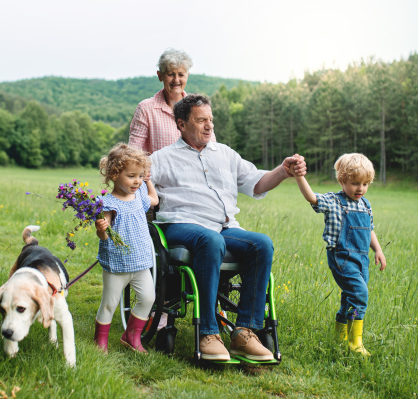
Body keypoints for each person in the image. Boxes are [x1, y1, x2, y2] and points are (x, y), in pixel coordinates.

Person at [150, 93, 307, 361]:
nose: (209, 125)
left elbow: (256, 182)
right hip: (181, 227)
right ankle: (208, 332)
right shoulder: (162, 158)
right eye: (201, 120)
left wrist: (282, 171)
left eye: (210, 119)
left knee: (261, 244)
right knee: (211, 240)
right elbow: (135, 182)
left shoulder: (225, 154)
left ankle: (244, 332)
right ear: (181, 124)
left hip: (223, 227)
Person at [291, 153, 387, 357]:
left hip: (362, 259)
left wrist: (377, 250)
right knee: (360, 294)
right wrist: (299, 176)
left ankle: (339, 337)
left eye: (365, 183)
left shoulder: (365, 205)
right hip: (342, 258)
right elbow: (312, 198)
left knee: (349, 297)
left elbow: (369, 229)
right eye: (355, 183)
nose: (360, 188)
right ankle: (355, 343)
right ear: (342, 180)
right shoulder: (334, 201)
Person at [93, 143, 159, 353]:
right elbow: (104, 236)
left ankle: (131, 336)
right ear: (114, 174)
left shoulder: (139, 196)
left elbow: (154, 201)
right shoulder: (108, 203)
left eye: (140, 176)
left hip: (141, 262)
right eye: (132, 176)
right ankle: (100, 343)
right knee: (110, 304)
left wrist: (148, 183)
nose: (136, 181)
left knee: (148, 298)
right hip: (117, 264)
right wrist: (101, 228)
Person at [129, 48, 216, 154]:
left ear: (187, 76)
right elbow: (133, 154)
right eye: (170, 74)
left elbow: (211, 149)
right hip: (158, 171)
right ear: (160, 76)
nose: (176, 80)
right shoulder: (145, 109)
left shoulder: (199, 109)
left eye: (181, 74)